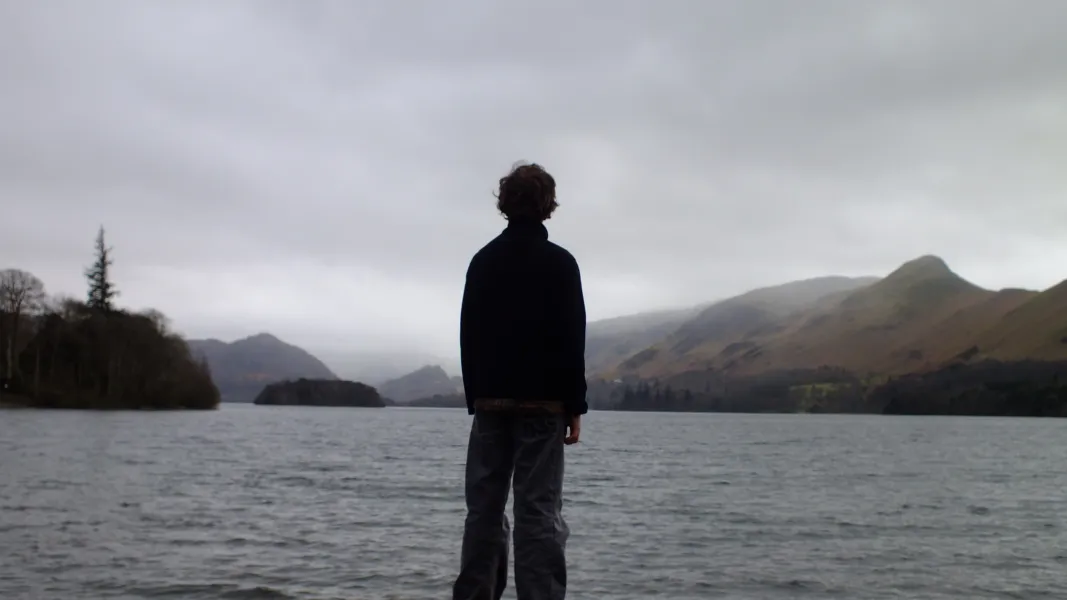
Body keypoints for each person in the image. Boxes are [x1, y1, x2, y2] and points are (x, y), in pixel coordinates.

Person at [452, 162, 588, 600]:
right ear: (548, 205)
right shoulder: (561, 264)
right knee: (538, 514)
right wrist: (574, 406)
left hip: (491, 403)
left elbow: (467, 333)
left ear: (505, 203)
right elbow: (572, 338)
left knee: (484, 513)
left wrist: (477, 397)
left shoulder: (483, 261)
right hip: (543, 407)